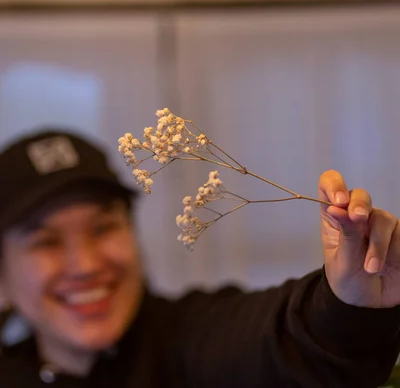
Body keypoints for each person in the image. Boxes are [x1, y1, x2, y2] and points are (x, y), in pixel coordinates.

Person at [0, 130, 399, 388]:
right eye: (45, 242)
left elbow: (278, 341)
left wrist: (346, 304)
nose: (86, 265)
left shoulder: (190, 341)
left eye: (103, 228)